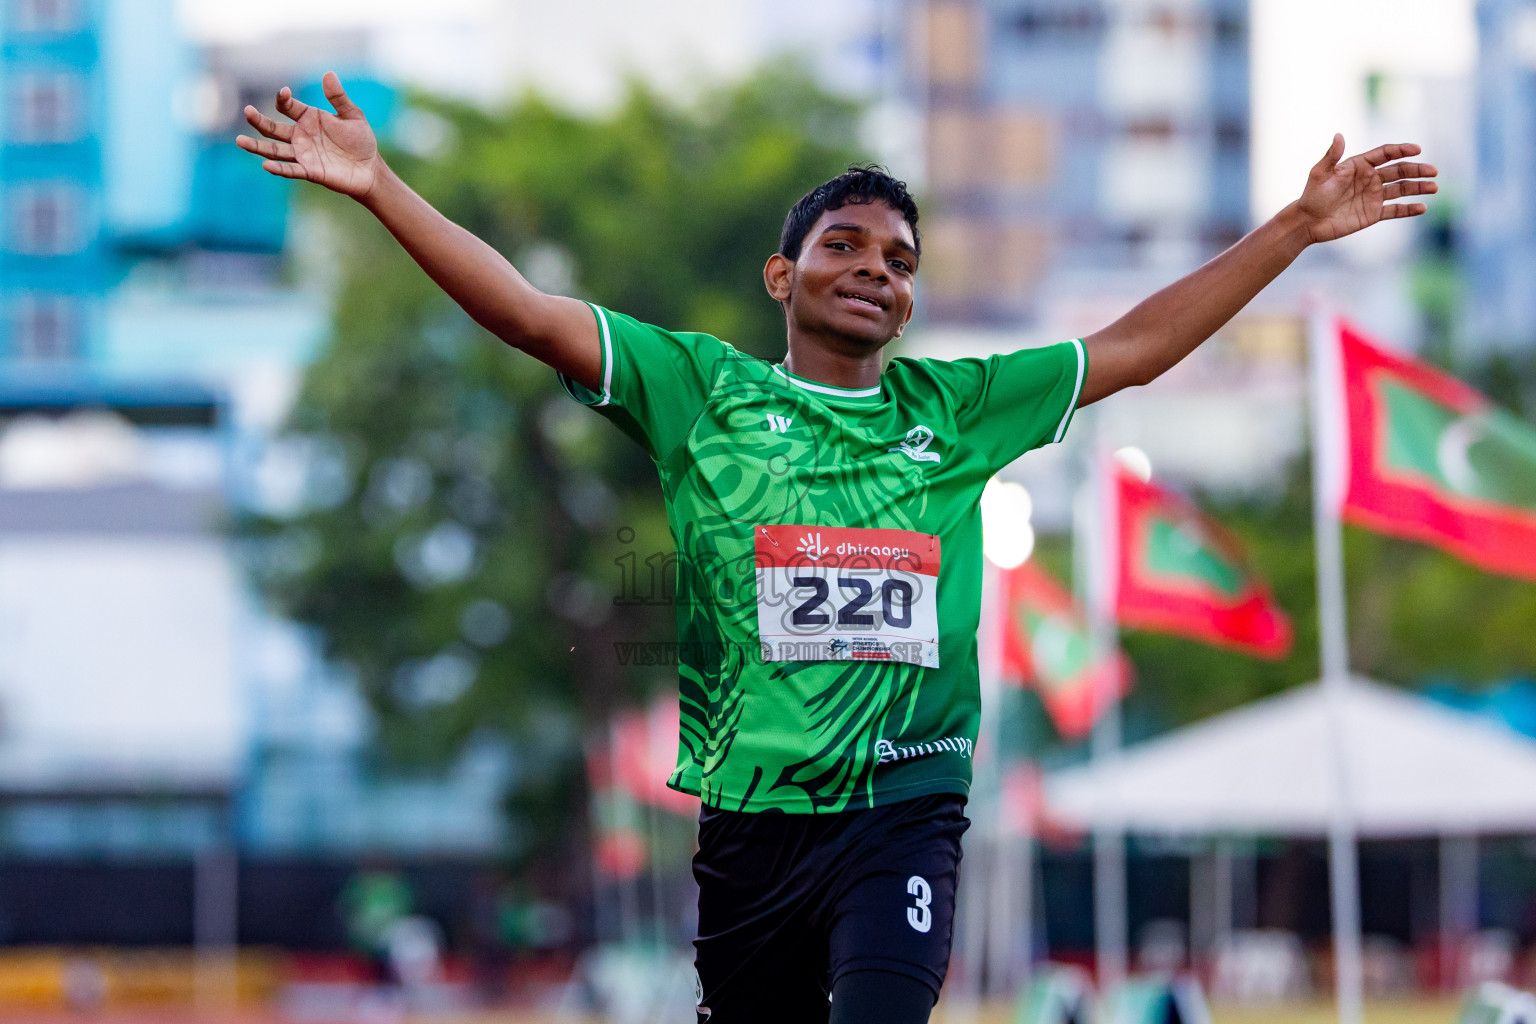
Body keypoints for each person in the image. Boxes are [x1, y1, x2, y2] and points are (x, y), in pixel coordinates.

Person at [239, 73, 1435, 1023]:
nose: (876, 271)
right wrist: (384, 188)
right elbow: (525, 312)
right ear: (785, 275)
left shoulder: (956, 410)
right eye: (847, 247)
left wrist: (1295, 226)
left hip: (903, 807)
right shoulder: (699, 391)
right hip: (752, 822)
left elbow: (1131, 348)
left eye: (900, 261)